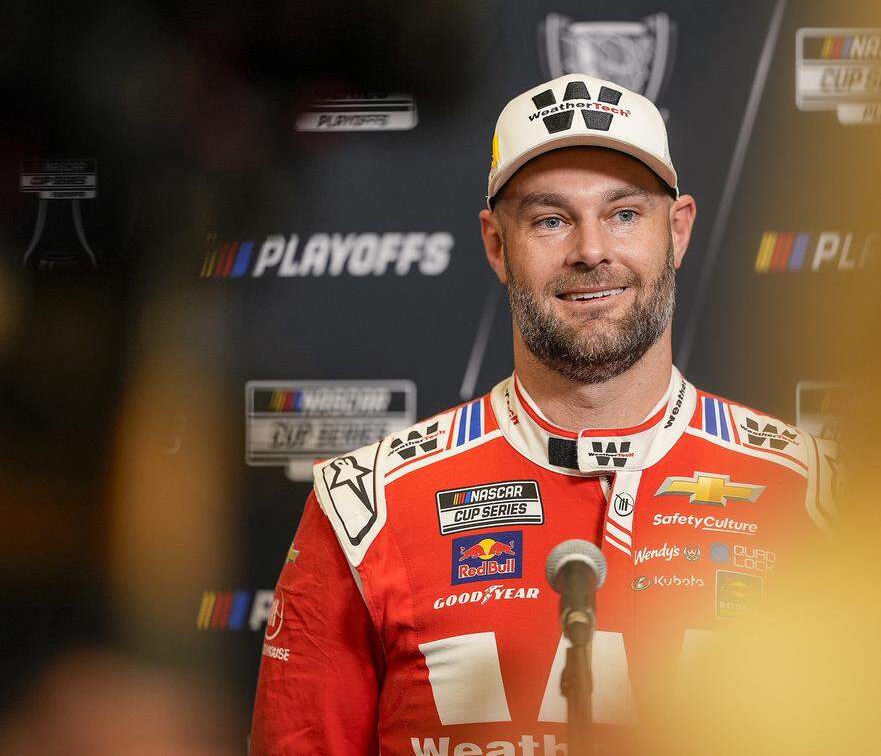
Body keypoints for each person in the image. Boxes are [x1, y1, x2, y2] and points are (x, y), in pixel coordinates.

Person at [249, 73, 840, 755]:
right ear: (497, 245)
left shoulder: (816, 491)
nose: (591, 250)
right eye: (550, 219)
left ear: (677, 231)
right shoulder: (366, 507)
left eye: (624, 213)